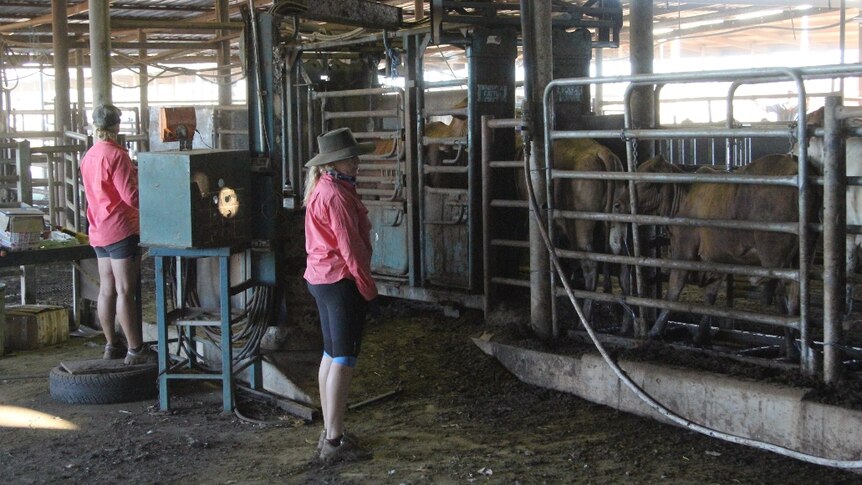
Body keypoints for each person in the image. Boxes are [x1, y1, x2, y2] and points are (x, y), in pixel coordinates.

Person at [303, 127, 378, 464]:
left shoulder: (325, 187)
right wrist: (367, 288)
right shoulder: (336, 195)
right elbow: (351, 249)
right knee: (344, 359)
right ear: (336, 162)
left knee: (331, 354)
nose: (357, 162)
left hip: (321, 279)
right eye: (351, 158)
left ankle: (331, 430)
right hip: (339, 280)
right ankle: (334, 441)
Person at [80, 104, 152, 365]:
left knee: (107, 289)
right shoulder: (117, 156)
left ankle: (112, 345)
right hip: (120, 228)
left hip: (98, 228)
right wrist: (156, 201)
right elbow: (130, 196)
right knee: (125, 290)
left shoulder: (89, 156)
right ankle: (135, 350)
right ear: (117, 126)